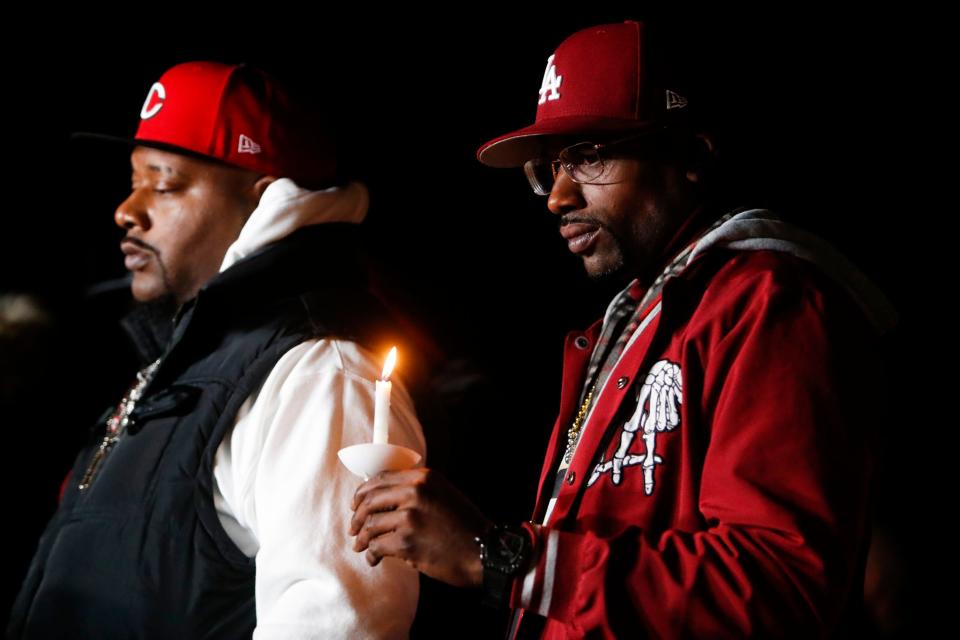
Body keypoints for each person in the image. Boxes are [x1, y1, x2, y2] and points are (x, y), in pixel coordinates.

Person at [349, 20, 897, 638]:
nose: (558, 196)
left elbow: (780, 588)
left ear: (689, 156)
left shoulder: (773, 303)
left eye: (590, 156)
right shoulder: (634, 323)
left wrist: (503, 556)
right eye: (551, 166)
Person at [10, 61, 426, 639]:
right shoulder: (198, 354)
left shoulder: (318, 371)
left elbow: (338, 625)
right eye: (133, 181)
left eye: (164, 183)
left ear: (265, 203)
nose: (127, 210)